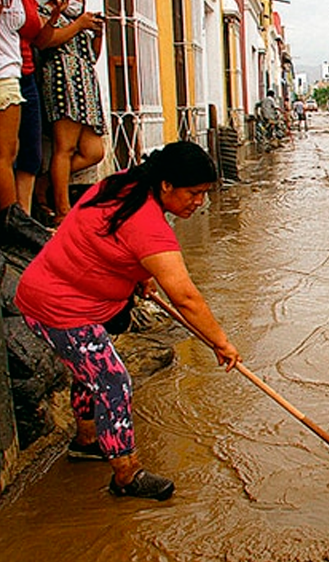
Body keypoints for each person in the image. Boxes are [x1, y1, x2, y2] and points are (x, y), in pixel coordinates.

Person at [15, 141, 242, 501]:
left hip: (63, 296)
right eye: (194, 193)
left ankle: (87, 441)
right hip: (58, 306)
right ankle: (126, 474)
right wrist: (221, 342)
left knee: (87, 368)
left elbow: (104, 237)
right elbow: (185, 298)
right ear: (166, 185)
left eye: (204, 194)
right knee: (111, 378)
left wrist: (140, 276)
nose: (200, 202)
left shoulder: (126, 184)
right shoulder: (148, 224)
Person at [37, 0, 107, 226]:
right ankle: (62, 210)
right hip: (62, 78)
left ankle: (44, 183)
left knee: (94, 151)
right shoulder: (48, 9)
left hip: (84, 83)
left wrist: (97, 34)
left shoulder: (79, 16)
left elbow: (92, 57)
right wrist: (78, 25)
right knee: (64, 148)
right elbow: (45, 41)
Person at [0, 0, 26, 215]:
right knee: (4, 156)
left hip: (11, 72)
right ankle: (9, 223)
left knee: (10, 153)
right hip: (2, 75)